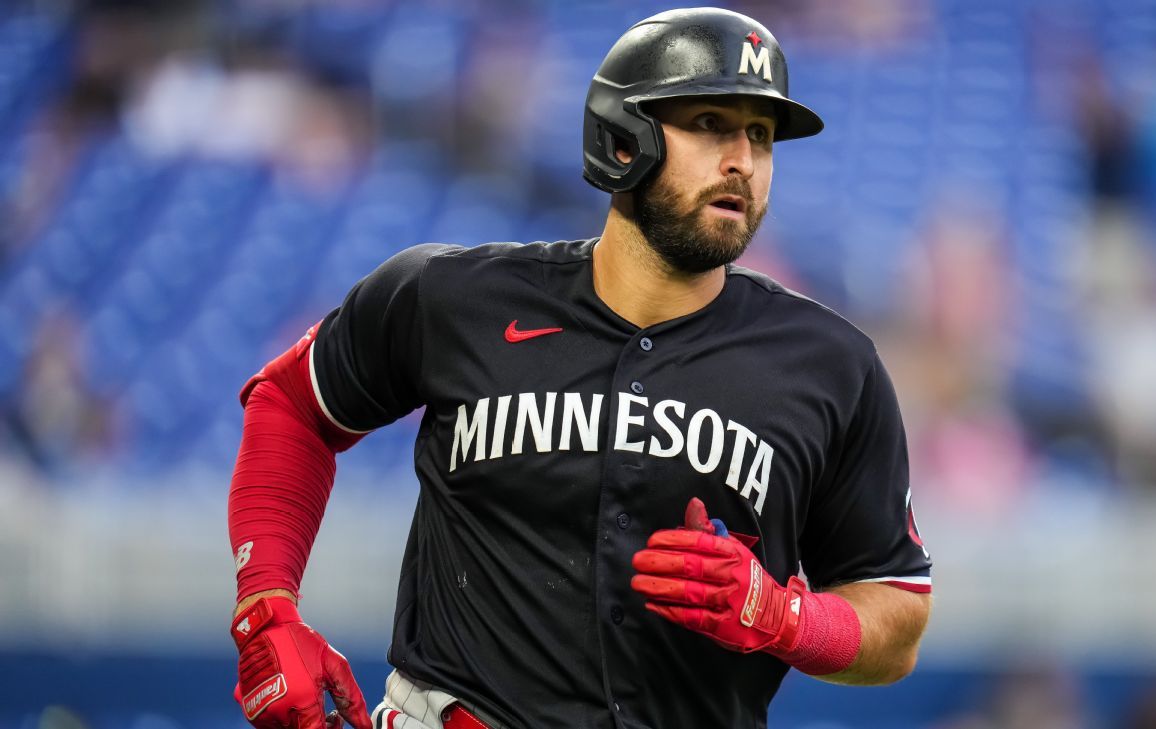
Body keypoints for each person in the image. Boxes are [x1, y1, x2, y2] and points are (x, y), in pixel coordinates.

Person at [226, 8, 933, 729]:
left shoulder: (831, 366)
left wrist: (787, 617)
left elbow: (897, 617)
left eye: (760, 135)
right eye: (712, 123)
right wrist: (266, 605)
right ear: (623, 139)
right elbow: (291, 401)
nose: (742, 161)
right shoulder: (455, 299)